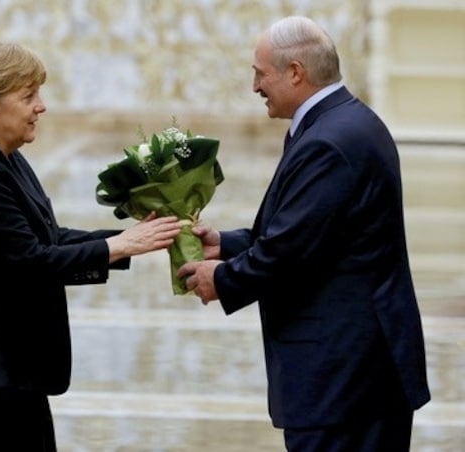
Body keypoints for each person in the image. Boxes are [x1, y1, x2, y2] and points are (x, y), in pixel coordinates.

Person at [177, 16, 430, 452]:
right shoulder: (341, 123)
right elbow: (319, 236)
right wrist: (229, 245)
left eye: (260, 74)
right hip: (356, 373)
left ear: (295, 72)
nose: (255, 86)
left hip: (344, 377)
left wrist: (220, 279)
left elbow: (289, 251)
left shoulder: (329, 141)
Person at [0, 42, 182, 451]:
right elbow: (28, 262)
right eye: (28, 96)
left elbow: (48, 238)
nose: (40, 106)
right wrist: (119, 247)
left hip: (6, 366)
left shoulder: (2, 156)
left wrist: (128, 240)